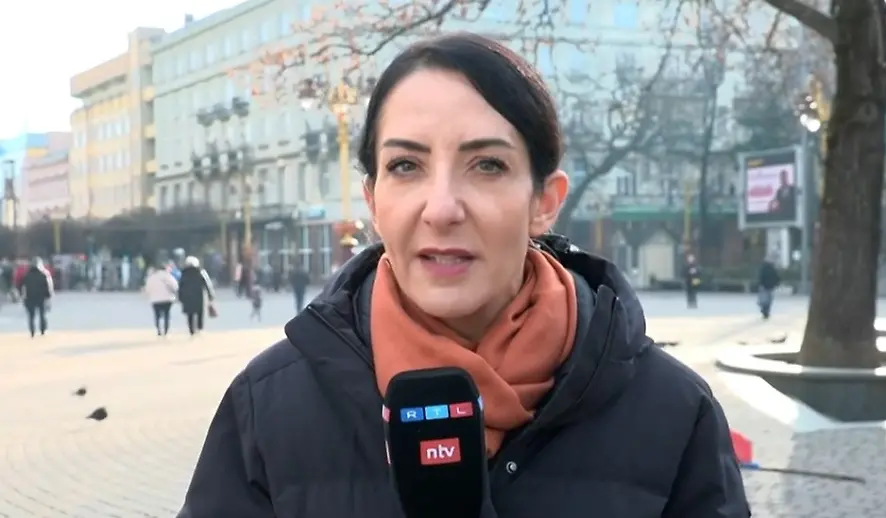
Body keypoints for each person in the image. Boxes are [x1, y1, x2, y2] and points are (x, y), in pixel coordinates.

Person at [177, 33, 749, 518]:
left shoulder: (673, 412)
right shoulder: (268, 407)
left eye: (488, 165)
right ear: (374, 202)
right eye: (407, 165)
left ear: (544, 202)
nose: (442, 208)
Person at [177, 256, 214, 337]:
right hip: (198, 295)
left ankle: (191, 330)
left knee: (189, 314)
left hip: (187, 297)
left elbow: (180, 286)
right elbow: (207, 284)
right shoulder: (201, 272)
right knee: (200, 312)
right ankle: (200, 328)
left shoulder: (184, 273)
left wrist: (179, 296)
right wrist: (210, 295)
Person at [17, 257, 53, 337]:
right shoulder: (42, 275)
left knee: (31, 316)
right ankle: (42, 329)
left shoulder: (26, 276)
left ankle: (32, 331)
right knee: (42, 314)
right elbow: (46, 287)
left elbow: (21, 286)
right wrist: (48, 296)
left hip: (29, 297)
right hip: (41, 297)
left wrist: (22, 295)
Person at [144, 262, 179, 336]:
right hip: (167, 299)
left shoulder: (152, 277)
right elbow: (175, 286)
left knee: (157, 315)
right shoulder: (168, 276)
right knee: (166, 315)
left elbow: (147, 289)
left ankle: (158, 330)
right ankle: (166, 330)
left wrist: (150, 296)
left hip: (155, 300)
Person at [756, 255, 781, 319]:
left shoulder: (764, 268)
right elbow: (776, 276)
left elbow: (761, 277)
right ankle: (766, 311)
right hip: (770, 286)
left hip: (765, 286)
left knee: (765, 299)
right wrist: (777, 283)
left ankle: (765, 310)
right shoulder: (772, 268)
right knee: (768, 300)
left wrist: (760, 284)